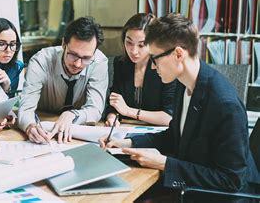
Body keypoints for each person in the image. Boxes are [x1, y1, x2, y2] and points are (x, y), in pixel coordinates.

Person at [100, 13, 260, 201]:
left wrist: (166, 164)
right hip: (192, 187)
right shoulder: (183, 85)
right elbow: (176, 135)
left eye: (154, 58)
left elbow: (231, 181)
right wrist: (129, 142)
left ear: (178, 54)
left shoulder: (224, 104)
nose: (152, 67)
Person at [18, 16, 108, 144]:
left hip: (75, 130)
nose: (78, 64)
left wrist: (72, 115)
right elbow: (26, 107)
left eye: (86, 58)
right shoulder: (41, 61)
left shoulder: (99, 62)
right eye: (73, 55)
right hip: (43, 126)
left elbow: (95, 109)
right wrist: (29, 127)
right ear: (63, 44)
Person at [105, 13, 175, 127]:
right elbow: (114, 103)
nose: (133, 51)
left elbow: (169, 116)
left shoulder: (166, 66)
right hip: (125, 129)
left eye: (141, 45)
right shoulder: (120, 64)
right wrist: (112, 117)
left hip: (157, 134)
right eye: (129, 42)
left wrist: (128, 111)